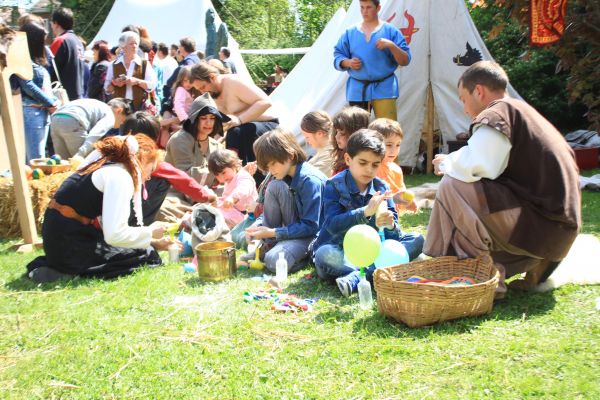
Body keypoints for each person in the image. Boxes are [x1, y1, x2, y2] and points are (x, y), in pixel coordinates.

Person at [424, 60, 581, 299]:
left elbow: (481, 164)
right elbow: (488, 160)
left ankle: (480, 279)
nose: (465, 109)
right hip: (556, 232)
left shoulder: (498, 112)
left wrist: (447, 164)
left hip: (541, 223)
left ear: (479, 91)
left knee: (452, 186)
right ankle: (475, 265)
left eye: (463, 99)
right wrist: (453, 161)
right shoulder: (521, 111)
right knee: (460, 186)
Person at [25, 134, 179, 283]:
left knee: (141, 250)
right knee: (148, 256)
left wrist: (152, 241)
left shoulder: (106, 168)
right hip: (69, 243)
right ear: (142, 161)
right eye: (150, 170)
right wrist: (150, 232)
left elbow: (109, 231)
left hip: (61, 239)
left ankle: (58, 266)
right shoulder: (120, 176)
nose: (148, 177)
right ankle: (65, 272)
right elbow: (115, 236)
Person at [313, 129, 424, 297]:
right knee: (324, 255)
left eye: (375, 164)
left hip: (374, 252)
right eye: (363, 163)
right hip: (343, 252)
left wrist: (390, 224)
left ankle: (357, 277)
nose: (369, 170)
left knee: (417, 239)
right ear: (348, 159)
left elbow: (393, 238)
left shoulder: (382, 187)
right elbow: (332, 226)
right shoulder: (333, 185)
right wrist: (365, 212)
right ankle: (380, 272)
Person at [239, 128, 326, 273]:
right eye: (267, 166)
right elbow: (270, 214)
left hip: (313, 236)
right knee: (274, 186)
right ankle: (270, 246)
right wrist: (257, 227)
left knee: (274, 260)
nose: (270, 170)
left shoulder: (310, 180)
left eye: (273, 164)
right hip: (294, 231)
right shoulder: (283, 175)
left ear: (290, 156)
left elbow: (311, 226)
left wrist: (272, 232)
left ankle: (303, 257)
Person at [117, 112, 217, 225]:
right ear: (155, 136)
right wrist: (206, 196)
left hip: (102, 212)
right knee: (162, 179)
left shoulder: (112, 147)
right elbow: (181, 179)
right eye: (203, 118)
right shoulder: (148, 158)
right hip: (126, 214)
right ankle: (140, 225)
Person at [189, 62, 279, 170]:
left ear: (212, 77)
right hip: (241, 131)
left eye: (203, 87)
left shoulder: (233, 82)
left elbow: (265, 102)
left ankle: (242, 174)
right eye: (199, 89)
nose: (202, 91)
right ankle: (234, 174)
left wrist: (239, 119)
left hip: (267, 125)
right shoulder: (210, 96)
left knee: (236, 132)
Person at [333, 0, 410, 120]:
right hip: (358, 90)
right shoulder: (350, 32)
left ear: (378, 8)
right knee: (357, 132)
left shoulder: (391, 31)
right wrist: (348, 62)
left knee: (387, 130)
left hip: (385, 88)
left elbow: (405, 60)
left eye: (368, 7)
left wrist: (391, 45)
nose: (364, 11)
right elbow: (338, 55)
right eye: (362, 7)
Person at [15, 22, 59, 164]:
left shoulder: (34, 60)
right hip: (32, 112)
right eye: (42, 40)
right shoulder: (22, 60)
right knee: (36, 160)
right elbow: (28, 85)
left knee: (36, 159)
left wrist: (51, 102)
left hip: (40, 113)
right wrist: (51, 102)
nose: (45, 44)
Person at [165, 93, 226, 191]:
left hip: (205, 195)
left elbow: (219, 180)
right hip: (175, 195)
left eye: (212, 118)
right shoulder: (179, 140)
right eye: (203, 118)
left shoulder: (217, 147)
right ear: (195, 119)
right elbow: (185, 178)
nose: (208, 123)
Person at [50, 98, 132, 159]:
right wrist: (81, 154)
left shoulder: (96, 104)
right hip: (73, 121)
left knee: (63, 164)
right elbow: (95, 134)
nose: (121, 124)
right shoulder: (110, 115)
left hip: (55, 119)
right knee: (84, 165)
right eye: (122, 120)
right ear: (119, 111)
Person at [369, 118, 417, 212]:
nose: (394, 150)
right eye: (389, 145)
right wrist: (393, 199)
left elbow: (401, 194)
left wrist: (408, 202)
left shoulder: (396, 169)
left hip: (392, 221)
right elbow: (368, 199)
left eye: (398, 145)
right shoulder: (370, 168)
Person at [104, 31, 157, 111]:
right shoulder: (113, 65)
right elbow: (107, 89)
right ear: (123, 46)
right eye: (131, 43)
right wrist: (114, 83)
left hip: (138, 107)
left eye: (136, 43)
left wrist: (136, 81)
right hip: (119, 109)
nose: (134, 46)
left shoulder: (144, 64)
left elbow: (152, 85)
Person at [208, 149, 258, 229]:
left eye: (223, 173)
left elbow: (244, 188)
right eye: (217, 175)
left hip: (248, 216)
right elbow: (225, 197)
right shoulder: (229, 180)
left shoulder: (243, 176)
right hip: (236, 213)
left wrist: (232, 198)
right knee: (210, 208)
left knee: (218, 215)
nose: (222, 177)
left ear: (234, 165)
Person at [49, 7, 85, 100]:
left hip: (63, 98)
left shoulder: (60, 40)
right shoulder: (78, 41)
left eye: (51, 23)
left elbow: (48, 69)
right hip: (78, 95)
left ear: (56, 23)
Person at [159, 66, 195, 148]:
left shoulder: (189, 91)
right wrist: (185, 120)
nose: (188, 84)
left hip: (183, 117)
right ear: (180, 80)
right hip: (181, 117)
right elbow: (178, 106)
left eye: (191, 81)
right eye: (185, 81)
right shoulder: (181, 90)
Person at [331, 106, 370, 175]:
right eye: (336, 132)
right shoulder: (341, 155)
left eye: (342, 133)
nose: (337, 136)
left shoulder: (359, 165)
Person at [300, 111, 335, 177]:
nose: (306, 141)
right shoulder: (322, 151)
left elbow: (310, 179)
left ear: (319, 134)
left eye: (307, 137)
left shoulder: (330, 154)